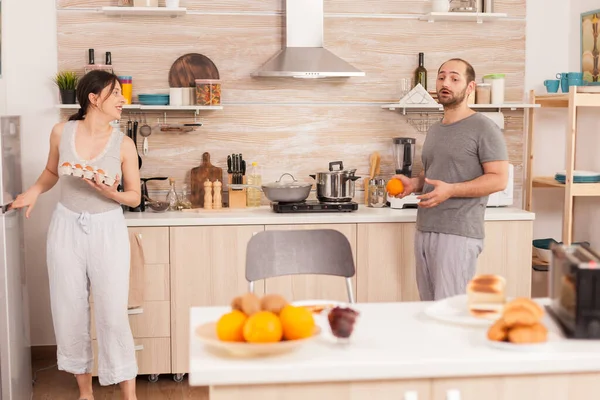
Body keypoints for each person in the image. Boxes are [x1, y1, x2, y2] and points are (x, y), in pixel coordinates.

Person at [11, 70, 140, 400]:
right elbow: (52, 172)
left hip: (107, 228)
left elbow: (134, 197)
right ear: (94, 99)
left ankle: (129, 393)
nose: (123, 100)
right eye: (116, 94)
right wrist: (33, 192)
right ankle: (85, 392)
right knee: (69, 309)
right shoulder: (61, 132)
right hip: (66, 227)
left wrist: (111, 194)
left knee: (112, 314)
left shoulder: (123, 143)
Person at [393, 58, 509, 301]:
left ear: (470, 88)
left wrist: (452, 190)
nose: (446, 83)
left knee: (451, 310)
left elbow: (499, 179)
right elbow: (436, 172)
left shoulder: (484, 128)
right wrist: (415, 183)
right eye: (442, 77)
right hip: (425, 228)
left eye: (455, 78)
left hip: (459, 232)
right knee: (428, 308)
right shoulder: (436, 129)